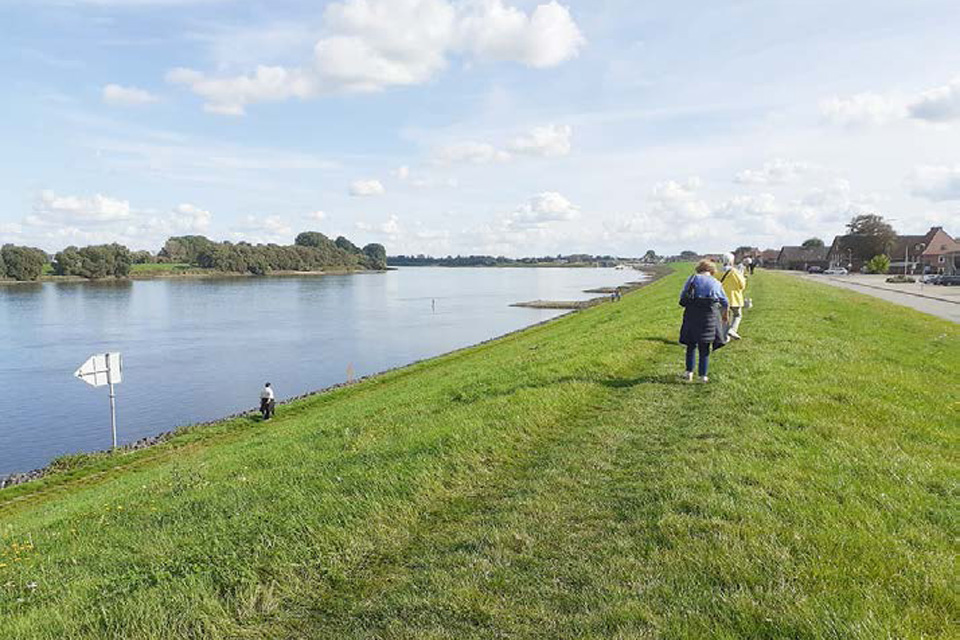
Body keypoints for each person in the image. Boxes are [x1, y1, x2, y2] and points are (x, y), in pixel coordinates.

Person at [679, 260, 729, 383]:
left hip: (692, 314)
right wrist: (724, 314)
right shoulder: (716, 282)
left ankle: (688, 372)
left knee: (691, 345)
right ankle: (703, 376)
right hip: (709, 316)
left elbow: (683, 295)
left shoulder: (692, 279)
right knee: (704, 346)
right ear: (712, 270)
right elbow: (725, 301)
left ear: (699, 268)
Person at [716, 252, 747, 340]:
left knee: (724, 318)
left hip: (722, 298)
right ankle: (732, 330)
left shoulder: (718, 272)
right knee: (737, 315)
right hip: (735, 298)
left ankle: (725, 337)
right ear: (732, 261)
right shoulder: (735, 272)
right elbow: (742, 285)